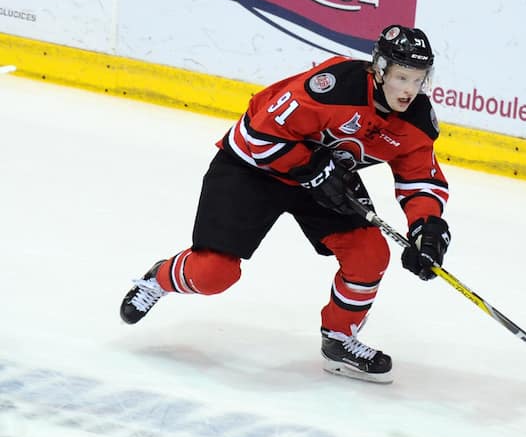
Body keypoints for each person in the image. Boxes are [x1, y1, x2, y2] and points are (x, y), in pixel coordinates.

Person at [120, 25, 452, 384]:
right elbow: (256, 135)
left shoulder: (416, 120)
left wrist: (427, 228)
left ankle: (339, 339)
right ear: (380, 68)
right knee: (214, 274)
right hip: (254, 168)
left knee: (369, 253)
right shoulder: (334, 86)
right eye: (402, 77)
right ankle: (159, 278)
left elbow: (420, 179)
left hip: (323, 176)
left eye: (418, 79)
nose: (409, 89)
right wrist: (310, 166)